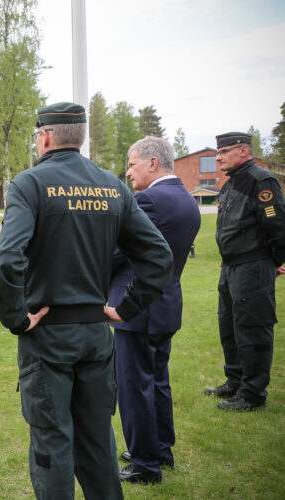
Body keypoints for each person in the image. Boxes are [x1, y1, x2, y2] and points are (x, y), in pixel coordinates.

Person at [0, 102, 173, 499]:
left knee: (52, 443)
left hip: (48, 335)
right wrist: (126, 308)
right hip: (95, 335)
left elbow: (7, 262)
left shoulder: (30, 183)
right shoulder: (111, 185)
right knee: (97, 442)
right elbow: (159, 257)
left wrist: (16, 318)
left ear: (46, 136)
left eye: (37, 137)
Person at [108, 136, 201, 484]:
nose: (128, 172)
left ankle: (144, 464)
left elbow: (120, 252)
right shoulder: (187, 200)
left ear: (152, 163)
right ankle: (160, 450)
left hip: (137, 307)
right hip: (166, 304)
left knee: (134, 388)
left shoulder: (148, 200)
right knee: (158, 382)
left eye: (132, 164)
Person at [204, 132, 285, 411]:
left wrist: (275, 260)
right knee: (229, 326)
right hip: (230, 267)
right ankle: (235, 381)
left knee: (253, 328)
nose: (218, 157)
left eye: (224, 151)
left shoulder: (260, 180)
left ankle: (252, 394)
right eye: (217, 153)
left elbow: (277, 225)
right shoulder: (230, 183)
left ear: (243, 151)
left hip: (252, 266)